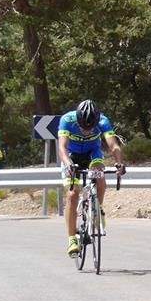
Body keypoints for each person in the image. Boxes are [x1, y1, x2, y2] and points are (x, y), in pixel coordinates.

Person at [57, 100, 125, 257]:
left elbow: (113, 145)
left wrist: (119, 163)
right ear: (78, 119)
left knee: (99, 172)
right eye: (83, 127)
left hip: (93, 154)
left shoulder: (103, 121)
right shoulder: (67, 120)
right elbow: (62, 148)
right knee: (73, 195)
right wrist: (68, 164)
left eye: (90, 128)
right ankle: (72, 238)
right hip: (71, 157)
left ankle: (98, 209)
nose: (87, 131)